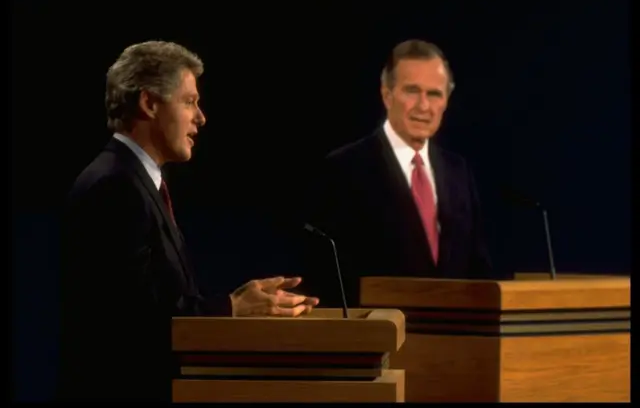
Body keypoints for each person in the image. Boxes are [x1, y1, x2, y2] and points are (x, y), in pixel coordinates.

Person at [57, 40, 319, 402]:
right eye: (189, 101)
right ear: (149, 103)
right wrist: (232, 306)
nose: (201, 117)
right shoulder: (114, 185)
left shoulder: (136, 180)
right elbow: (132, 321)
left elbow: (157, 299)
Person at [302, 39, 492, 307]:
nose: (423, 106)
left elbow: (478, 268)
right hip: (379, 337)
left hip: (455, 340)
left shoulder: (458, 171)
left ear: (447, 101)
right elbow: (327, 278)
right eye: (412, 91)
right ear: (387, 95)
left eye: (434, 94)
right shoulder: (345, 169)